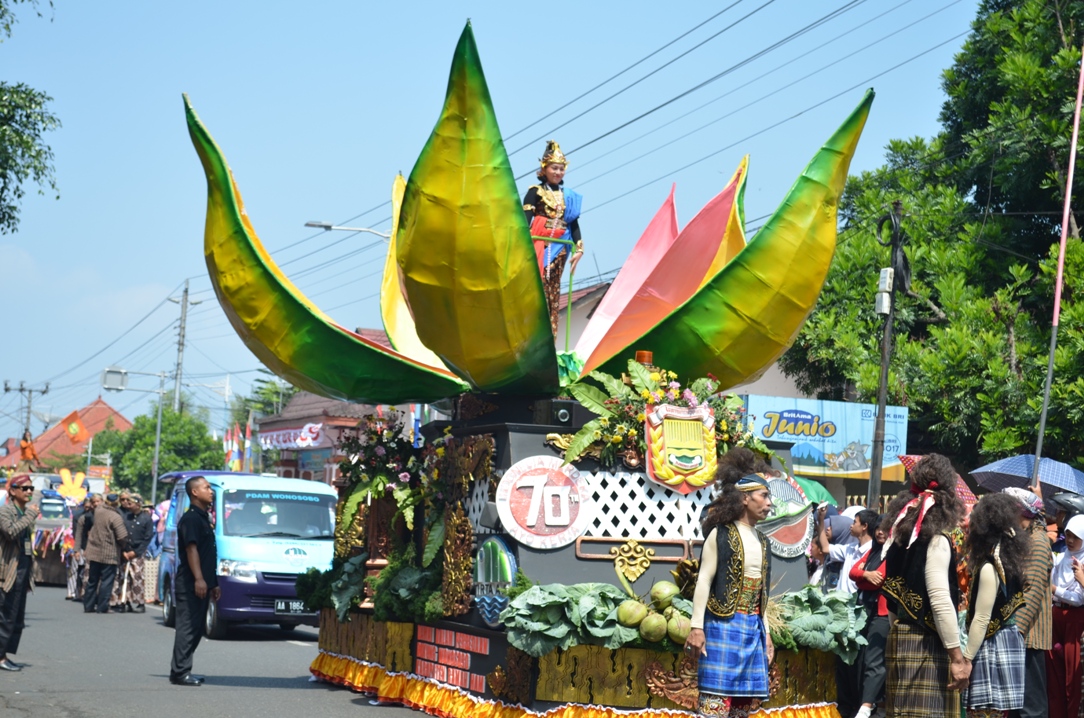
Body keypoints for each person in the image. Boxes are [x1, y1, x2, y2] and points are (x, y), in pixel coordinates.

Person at [686, 448, 774, 718]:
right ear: (745, 498)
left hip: (752, 629)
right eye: (764, 496)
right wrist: (696, 627)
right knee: (714, 706)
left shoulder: (763, 541)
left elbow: (763, 593)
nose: (769, 502)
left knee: (742, 709)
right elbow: (704, 581)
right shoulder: (720, 534)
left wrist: (767, 633)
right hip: (723, 626)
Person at [882, 453, 968, 718]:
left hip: (900, 637)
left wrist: (899, 630)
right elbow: (941, 600)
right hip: (928, 645)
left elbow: (892, 595)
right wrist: (956, 657)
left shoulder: (899, 536)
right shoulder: (937, 540)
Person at [962, 493, 1027, 718]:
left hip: (992, 643)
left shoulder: (990, 566)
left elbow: (982, 619)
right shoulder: (1006, 560)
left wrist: (966, 658)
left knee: (984, 712)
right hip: (1006, 637)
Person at [522, 140, 583, 336]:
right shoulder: (535, 192)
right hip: (541, 244)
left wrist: (579, 248)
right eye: (554, 168)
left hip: (561, 246)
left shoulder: (568, 196)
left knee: (553, 289)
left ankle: (550, 331)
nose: (558, 172)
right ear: (544, 168)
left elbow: (573, 223)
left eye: (561, 169)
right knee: (538, 285)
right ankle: (532, 328)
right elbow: (526, 220)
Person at [1001, 486, 1051, 718]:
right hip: (1019, 634)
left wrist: (1016, 631)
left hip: (1029, 636)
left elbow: (1032, 591)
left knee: (1032, 707)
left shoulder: (1038, 542)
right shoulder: (1023, 539)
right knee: (1018, 706)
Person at [826, 508, 877, 718]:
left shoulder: (874, 552)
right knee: (843, 662)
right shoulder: (850, 549)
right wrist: (821, 519)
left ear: (864, 526)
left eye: (854, 521)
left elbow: (857, 575)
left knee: (858, 662)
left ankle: (859, 706)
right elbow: (824, 547)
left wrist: (863, 573)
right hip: (842, 613)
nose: (850, 525)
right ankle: (846, 707)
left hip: (861, 613)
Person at [170, 476, 218, 686]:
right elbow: (192, 550)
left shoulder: (203, 518)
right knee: (188, 628)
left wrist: (213, 582)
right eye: (207, 488)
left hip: (203, 582)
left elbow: (208, 554)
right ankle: (180, 672)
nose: (211, 491)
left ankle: (181, 669)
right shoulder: (191, 519)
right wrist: (199, 579)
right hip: (190, 583)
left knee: (197, 628)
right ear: (195, 493)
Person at [849, 515, 890, 718]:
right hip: (866, 610)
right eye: (878, 528)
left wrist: (863, 577)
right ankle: (869, 704)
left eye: (885, 528)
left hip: (882, 613)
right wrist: (864, 575)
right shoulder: (874, 551)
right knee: (863, 659)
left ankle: (866, 707)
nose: (880, 532)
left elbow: (878, 580)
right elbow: (853, 572)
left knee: (875, 659)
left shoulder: (891, 553)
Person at [1047, 513, 1084, 718]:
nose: (1070, 540)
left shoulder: (1082, 562)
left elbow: (1078, 599)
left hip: (1074, 623)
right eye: (1068, 535)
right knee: (1055, 679)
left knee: (1072, 680)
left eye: (1075, 536)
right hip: (1056, 618)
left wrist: (1054, 590)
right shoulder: (1061, 559)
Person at [0, 475, 38, 671]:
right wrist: (30, 516)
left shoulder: (23, 512)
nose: (29, 492)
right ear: (13, 491)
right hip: (7, 572)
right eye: (24, 488)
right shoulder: (5, 511)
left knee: (15, 618)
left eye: (31, 488)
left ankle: (4, 655)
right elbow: (10, 532)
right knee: (5, 616)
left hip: (22, 572)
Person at [81, 493, 129, 614]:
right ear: (117, 503)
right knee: (107, 581)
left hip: (95, 552)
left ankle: (89, 606)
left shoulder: (98, 511)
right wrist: (123, 545)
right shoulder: (115, 517)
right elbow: (122, 536)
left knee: (92, 580)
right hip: (109, 553)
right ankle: (102, 607)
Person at [112, 493, 153, 613]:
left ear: (138, 504)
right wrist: (124, 550)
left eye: (131, 503)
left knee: (137, 577)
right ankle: (124, 601)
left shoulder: (146, 518)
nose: (128, 505)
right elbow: (121, 533)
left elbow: (147, 537)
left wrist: (136, 552)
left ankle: (139, 603)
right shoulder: (126, 517)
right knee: (124, 578)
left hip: (137, 553)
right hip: (125, 551)